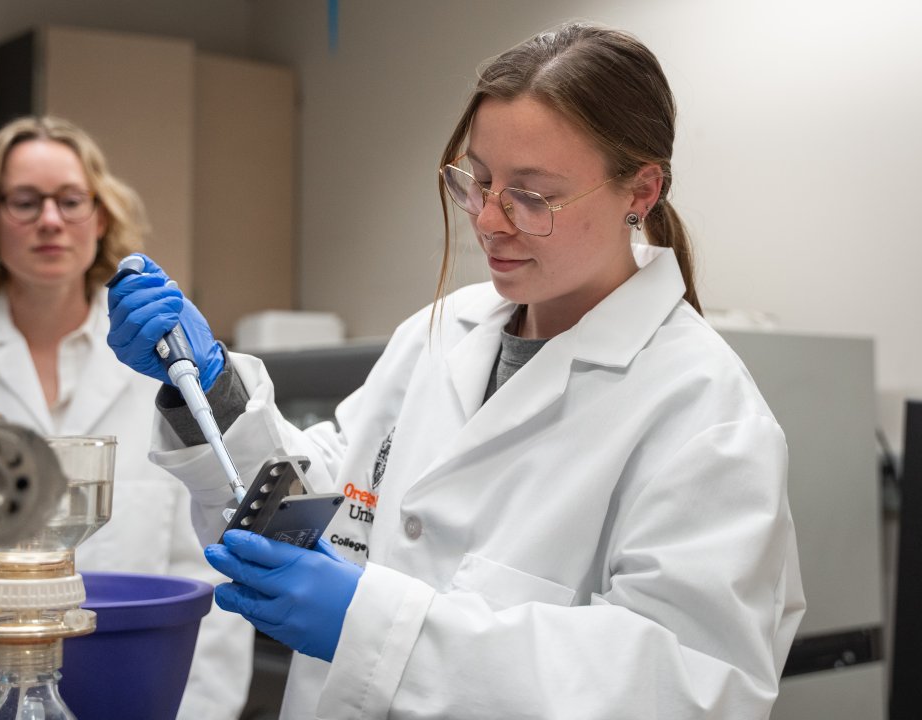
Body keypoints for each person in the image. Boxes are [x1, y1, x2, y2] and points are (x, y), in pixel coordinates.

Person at [107, 22, 805, 719]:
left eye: (532, 196)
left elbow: (687, 687)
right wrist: (210, 389)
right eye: (478, 180)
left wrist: (379, 629)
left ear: (640, 192)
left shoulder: (703, 411)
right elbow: (329, 500)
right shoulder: (444, 333)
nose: (489, 221)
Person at [0, 115, 254, 720]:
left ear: (101, 216)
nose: (50, 221)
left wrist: (197, 706)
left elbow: (209, 549)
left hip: (137, 687)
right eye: (25, 203)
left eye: (70, 201)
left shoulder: (162, 358)